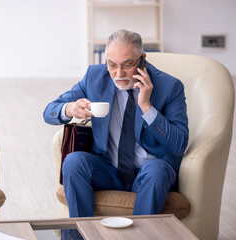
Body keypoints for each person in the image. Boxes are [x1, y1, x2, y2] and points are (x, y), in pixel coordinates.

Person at [43, 29, 189, 219]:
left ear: (142, 59)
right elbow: (49, 111)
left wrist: (147, 108)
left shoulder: (170, 87)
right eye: (112, 65)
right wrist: (70, 108)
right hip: (108, 170)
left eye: (127, 64)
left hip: (149, 173)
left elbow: (179, 144)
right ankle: (79, 235)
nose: (118, 73)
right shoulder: (95, 77)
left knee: (156, 170)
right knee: (73, 162)